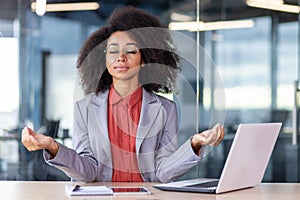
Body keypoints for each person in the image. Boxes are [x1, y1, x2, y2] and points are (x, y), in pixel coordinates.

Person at [22, 6, 224, 183]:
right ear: (104, 60)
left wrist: (194, 144)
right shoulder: (84, 109)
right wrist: (52, 146)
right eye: (113, 51)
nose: (121, 57)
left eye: (131, 51)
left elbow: (162, 172)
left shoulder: (165, 108)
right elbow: (87, 172)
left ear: (144, 59)